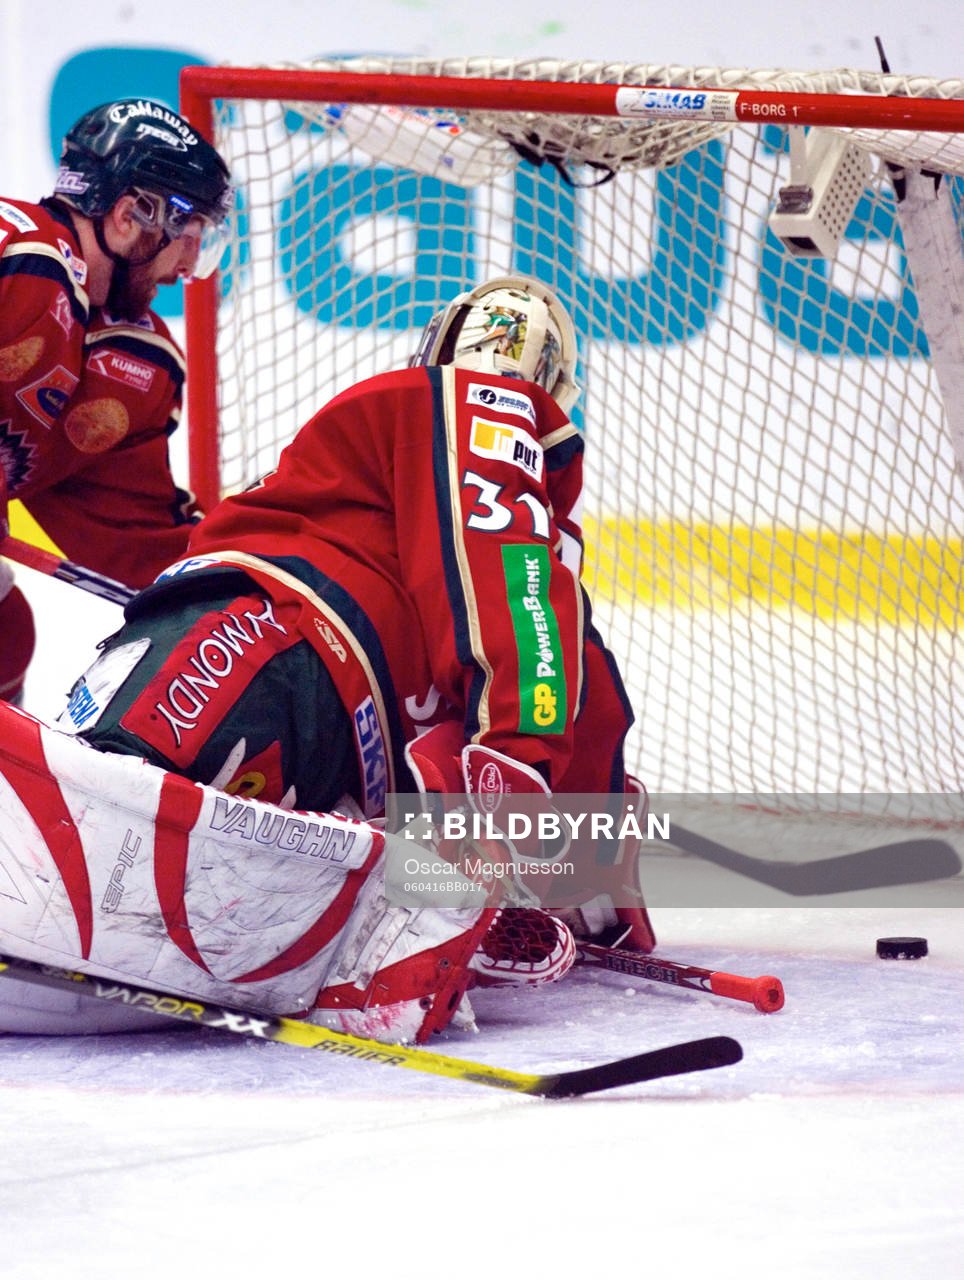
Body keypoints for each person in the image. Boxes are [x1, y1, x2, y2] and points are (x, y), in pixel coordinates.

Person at [0, 277, 653, 1045]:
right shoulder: (529, 519)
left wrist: (512, 766)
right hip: (336, 737)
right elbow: (565, 678)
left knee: (87, 805)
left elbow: (508, 593)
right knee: (123, 839)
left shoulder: (464, 409)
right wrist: (594, 881)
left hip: (267, 638)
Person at [0, 98, 233, 701]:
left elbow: (139, 540)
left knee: (5, 632)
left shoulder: (139, 364)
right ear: (131, 216)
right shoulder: (17, 254)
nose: (189, 266)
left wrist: (255, 572)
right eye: (191, 235)